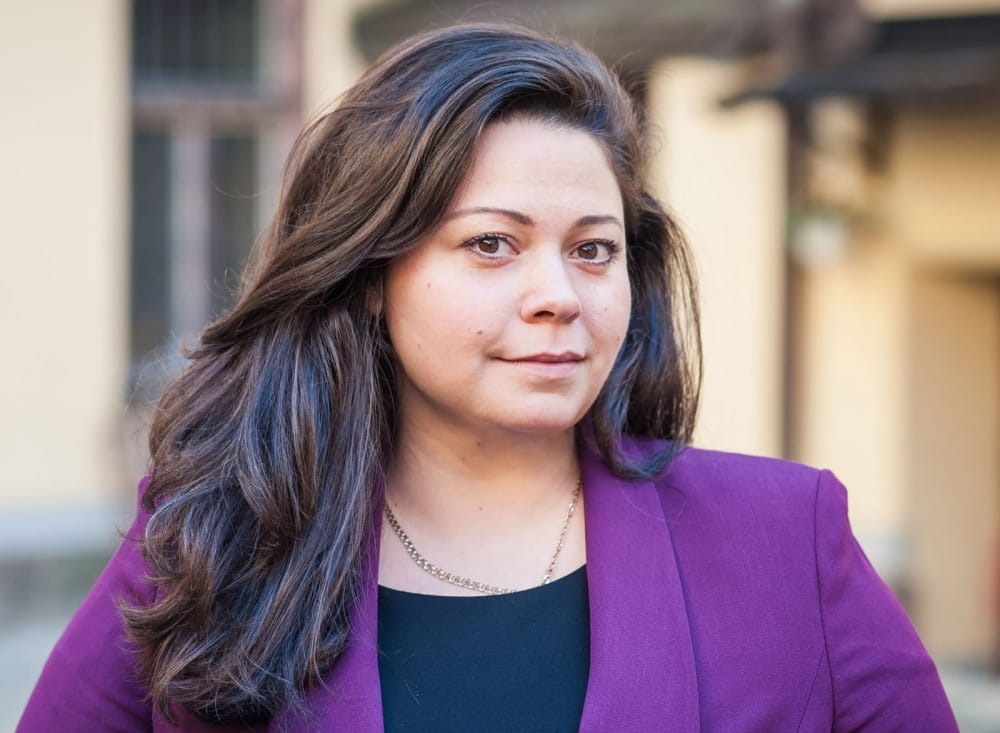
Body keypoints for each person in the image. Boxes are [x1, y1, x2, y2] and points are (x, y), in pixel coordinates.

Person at [20, 22, 957, 732]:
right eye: (492, 244)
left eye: (594, 250)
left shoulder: (786, 540)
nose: (557, 295)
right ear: (369, 275)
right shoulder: (218, 537)